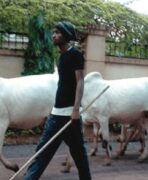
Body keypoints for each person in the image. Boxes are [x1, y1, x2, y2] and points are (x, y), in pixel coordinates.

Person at [24, 21, 91, 180]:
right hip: (57, 113)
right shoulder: (62, 57)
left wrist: (76, 109)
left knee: (78, 155)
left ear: (66, 35)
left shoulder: (75, 55)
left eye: (58, 33)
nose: (54, 35)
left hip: (69, 116)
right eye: (53, 32)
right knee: (43, 152)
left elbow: (80, 81)